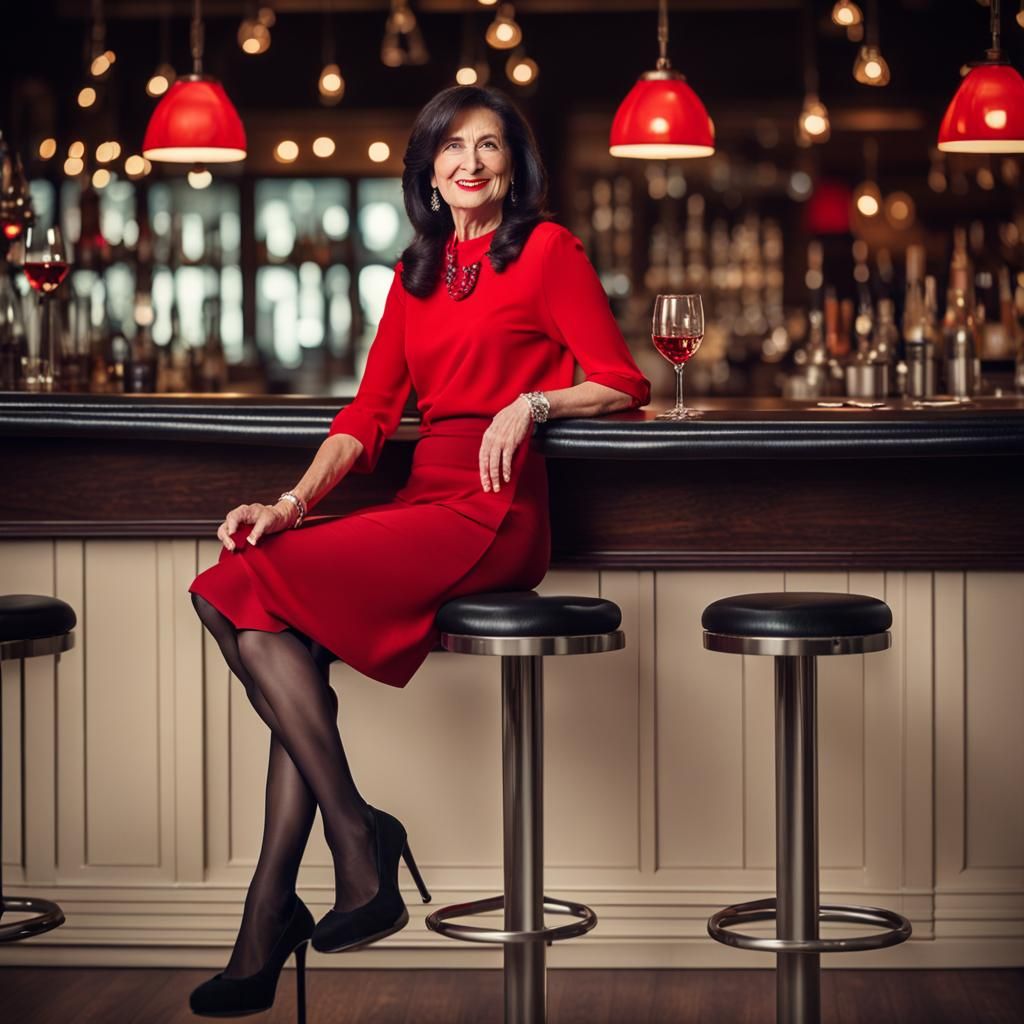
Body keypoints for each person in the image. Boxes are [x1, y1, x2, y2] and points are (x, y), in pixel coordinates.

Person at [185, 84, 651, 1019]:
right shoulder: (415, 273)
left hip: (497, 510)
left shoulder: (549, 250)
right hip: (423, 497)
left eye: (488, 147)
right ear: (428, 169)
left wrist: (533, 404)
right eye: (451, 147)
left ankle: (346, 856)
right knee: (252, 606)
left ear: (513, 166)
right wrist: (290, 502)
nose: (469, 163)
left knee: (233, 596)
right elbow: (368, 415)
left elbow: (622, 380)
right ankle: (300, 887)